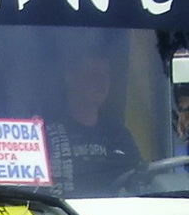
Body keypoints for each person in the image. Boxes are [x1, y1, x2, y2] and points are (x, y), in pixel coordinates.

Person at [47, 55, 140, 195]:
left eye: (106, 75)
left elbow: (141, 182)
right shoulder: (47, 134)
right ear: (70, 78)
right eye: (93, 75)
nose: (101, 83)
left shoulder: (120, 135)